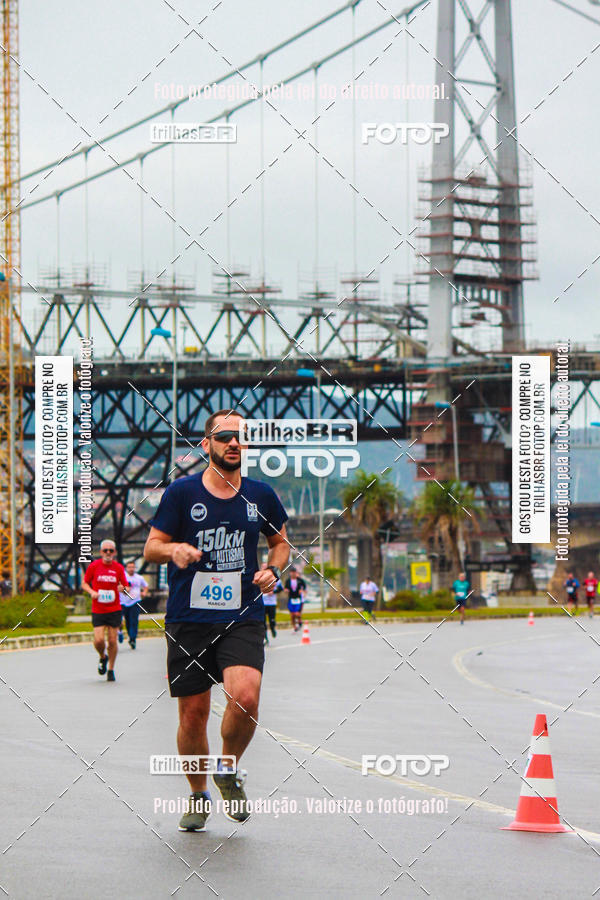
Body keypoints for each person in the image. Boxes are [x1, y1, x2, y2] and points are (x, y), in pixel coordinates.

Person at [143, 409, 289, 833]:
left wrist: (272, 570)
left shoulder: (260, 495)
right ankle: (197, 793)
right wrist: (174, 552)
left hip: (241, 612)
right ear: (206, 444)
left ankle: (227, 769)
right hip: (189, 617)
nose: (234, 443)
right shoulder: (181, 494)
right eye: (224, 436)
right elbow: (152, 547)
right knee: (193, 713)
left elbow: (280, 543)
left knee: (246, 696)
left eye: (241, 437)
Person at [82, 540, 129, 682]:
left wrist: (124, 589)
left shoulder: (119, 568)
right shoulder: (94, 566)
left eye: (111, 550)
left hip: (114, 608)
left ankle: (111, 669)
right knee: (99, 640)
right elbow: (84, 583)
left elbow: (126, 587)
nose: (108, 553)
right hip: (98, 608)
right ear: (101, 552)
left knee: (113, 641)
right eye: (105, 550)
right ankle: (103, 657)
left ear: (114, 552)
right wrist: (91, 592)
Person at [119, 561, 149, 649]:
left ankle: (132, 639)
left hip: (135, 602)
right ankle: (121, 632)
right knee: (125, 621)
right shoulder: (122, 576)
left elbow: (145, 586)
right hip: (123, 602)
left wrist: (144, 592)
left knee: (134, 621)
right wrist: (124, 590)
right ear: (126, 568)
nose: (131, 569)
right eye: (129, 567)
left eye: (133, 567)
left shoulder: (139, 578)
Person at [261, 564, 283, 644]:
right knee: (262, 622)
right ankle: (265, 637)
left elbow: (281, 588)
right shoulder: (259, 578)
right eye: (262, 568)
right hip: (262, 603)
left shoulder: (274, 578)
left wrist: (273, 592)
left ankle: (273, 628)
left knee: (272, 620)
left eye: (265, 568)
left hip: (272, 603)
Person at [285, 566, 307, 632]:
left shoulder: (300, 580)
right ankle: (294, 626)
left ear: (296, 573)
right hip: (291, 598)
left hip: (298, 599)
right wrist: (286, 590)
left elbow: (305, 587)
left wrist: (302, 591)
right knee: (292, 615)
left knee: (297, 614)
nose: (293, 574)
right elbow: (285, 588)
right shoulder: (288, 581)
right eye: (292, 572)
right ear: (290, 573)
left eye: (294, 572)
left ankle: (300, 620)